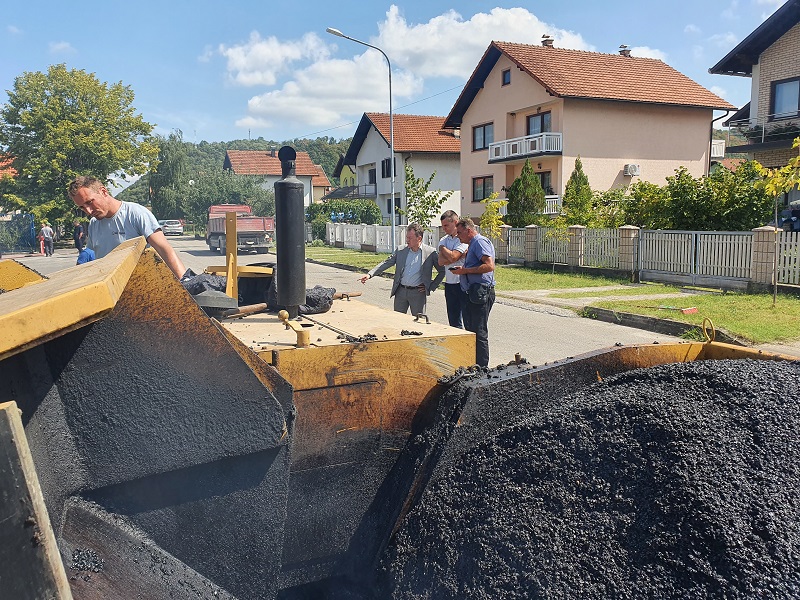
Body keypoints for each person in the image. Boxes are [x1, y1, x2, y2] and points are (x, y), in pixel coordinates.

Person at [68, 175, 188, 279]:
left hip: (144, 289)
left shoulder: (135, 213)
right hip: (112, 293)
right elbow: (93, 255)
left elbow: (164, 250)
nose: (88, 211)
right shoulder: (94, 223)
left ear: (103, 192)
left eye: (89, 202)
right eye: (82, 207)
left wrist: (185, 282)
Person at [360, 223, 445, 315]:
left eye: (410, 238)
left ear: (419, 238)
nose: (407, 240)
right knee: (398, 320)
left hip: (418, 293)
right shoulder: (401, 250)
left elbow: (442, 271)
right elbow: (386, 262)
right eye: (406, 237)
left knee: (419, 322)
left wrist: (430, 287)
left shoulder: (430, 253)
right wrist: (370, 274)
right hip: (401, 291)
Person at [450, 217, 496, 367]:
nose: (458, 236)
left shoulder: (479, 242)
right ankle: (473, 364)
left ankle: (482, 367)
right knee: (471, 330)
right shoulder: (471, 244)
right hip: (473, 292)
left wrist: (465, 271)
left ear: (469, 230)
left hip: (480, 292)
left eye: (460, 232)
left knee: (479, 331)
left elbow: (489, 266)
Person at [437, 210, 469, 328]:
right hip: (449, 283)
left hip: (463, 283)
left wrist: (444, 250)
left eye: (446, 225)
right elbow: (441, 261)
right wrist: (453, 256)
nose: (444, 228)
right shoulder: (443, 240)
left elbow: (452, 257)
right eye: (442, 226)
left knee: (467, 319)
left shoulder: (463, 239)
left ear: (455, 222)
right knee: (453, 320)